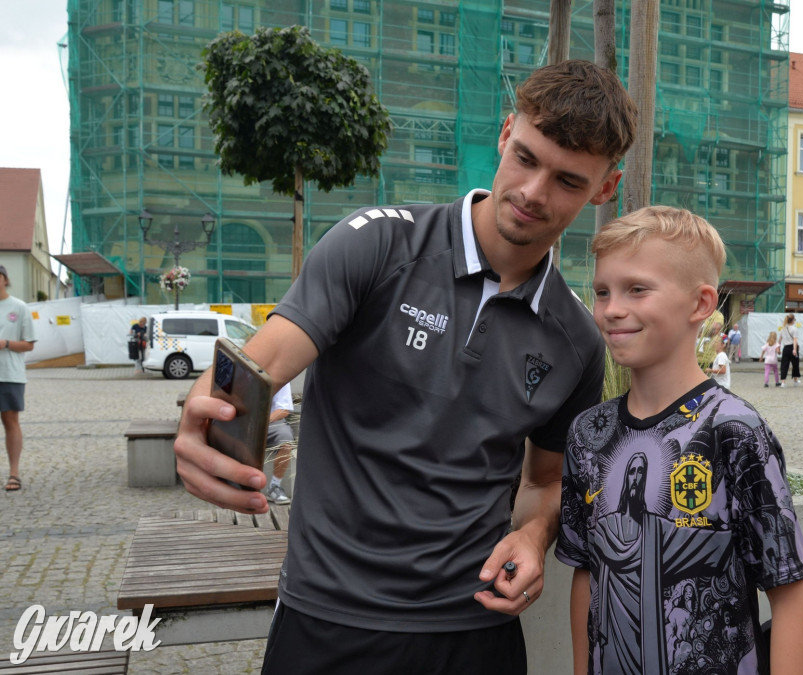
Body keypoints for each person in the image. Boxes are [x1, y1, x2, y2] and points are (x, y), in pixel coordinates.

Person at [174, 59, 638, 674]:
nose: (532, 192)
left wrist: (532, 535)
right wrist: (199, 416)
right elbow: (261, 360)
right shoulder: (377, 243)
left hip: (475, 628)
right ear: (505, 134)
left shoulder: (578, 338)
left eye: (568, 181)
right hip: (327, 615)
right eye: (525, 158)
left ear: (606, 188)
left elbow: (544, 480)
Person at [557, 206, 803, 675]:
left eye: (637, 289)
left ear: (700, 304)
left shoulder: (734, 431)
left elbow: (791, 591)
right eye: (602, 291)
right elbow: (586, 574)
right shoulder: (586, 435)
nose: (612, 308)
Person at [0, 265, 36, 492]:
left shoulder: (19, 307)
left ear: (4, 279)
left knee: (10, 422)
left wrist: (5, 344)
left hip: (9, 374)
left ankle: (14, 473)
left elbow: (29, 344)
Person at [264, 382, 295, 505]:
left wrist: (262, 422)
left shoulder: (281, 375)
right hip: (242, 420)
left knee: (286, 440)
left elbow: (283, 410)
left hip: (271, 421)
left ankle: (274, 486)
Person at [778, 313, 801, 386]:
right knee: (795, 364)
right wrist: (794, 349)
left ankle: (783, 382)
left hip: (785, 348)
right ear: (792, 320)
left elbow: (779, 340)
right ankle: (795, 380)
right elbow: (795, 340)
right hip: (792, 347)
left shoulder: (783, 329)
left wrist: (778, 348)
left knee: (784, 365)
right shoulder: (794, 329)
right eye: (794, 320)